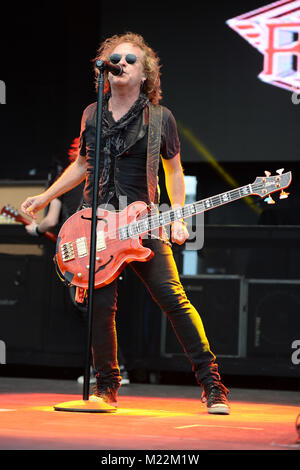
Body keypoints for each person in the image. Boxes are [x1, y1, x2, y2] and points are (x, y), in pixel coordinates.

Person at [21, 32, 229, 414]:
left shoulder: (160, 118)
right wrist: (46, 196)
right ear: (103, 67)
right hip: (94, 224)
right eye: (114, 58)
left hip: (141, 222)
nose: (120, 64)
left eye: (130, 60)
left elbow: (174, 172)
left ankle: (212, 384)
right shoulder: (91, 114)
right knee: (101, 307)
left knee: (173, 300)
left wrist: (180, 214)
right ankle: (106, 388)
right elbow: (83, 164)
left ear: (145, 73)